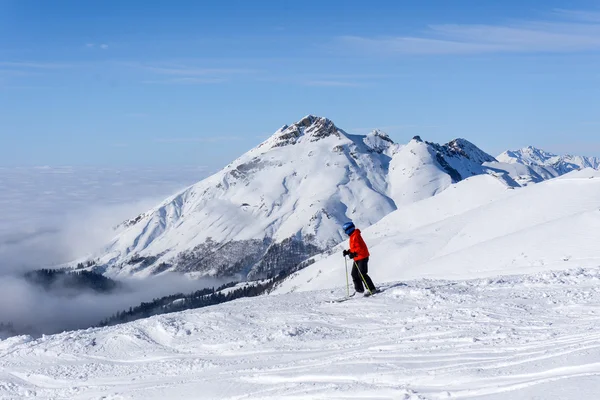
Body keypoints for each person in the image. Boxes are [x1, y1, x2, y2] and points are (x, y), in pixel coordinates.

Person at [342, 221, 377, 296]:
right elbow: (355, 248)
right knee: (354, 274)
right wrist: (348, 252)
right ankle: (359, 290)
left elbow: (360, 248)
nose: (345, 233)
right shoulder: (352, 236)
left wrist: (354, 253)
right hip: (357, 258)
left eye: (345, 231)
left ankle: (372, 289)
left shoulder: (356, 236)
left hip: (362, 257)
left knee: (362, 274)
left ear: (349, 229)